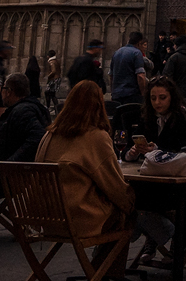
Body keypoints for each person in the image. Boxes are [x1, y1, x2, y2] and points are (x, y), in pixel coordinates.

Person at [33, 80, 134, 268]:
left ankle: (100, 270)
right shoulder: (95, 137)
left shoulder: (49, 135)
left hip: (47, 218)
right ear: (99, 106)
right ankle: (106, 273)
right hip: (78, 220)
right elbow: (115, 186)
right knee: (127, 212)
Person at [127, 77, 186, 271]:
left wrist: (157, 149)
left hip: (175, 181)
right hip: (149, 178)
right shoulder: (147, 118)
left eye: (162, 97)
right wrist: (133, 152)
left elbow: (185, 151)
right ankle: (156, 235)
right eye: (153, 98)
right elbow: (130, 148)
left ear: (172, 97)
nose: (157, 102)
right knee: (128, 195)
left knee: (140, 198)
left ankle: (165, 238)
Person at [109, 34, 149, 109]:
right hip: (131, 95)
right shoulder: (137, 53)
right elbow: (140, 76)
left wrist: (112, 92)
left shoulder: (117, 52)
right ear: (139, 43)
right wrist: (143, 94)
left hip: (117, 94)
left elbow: (111, 75)